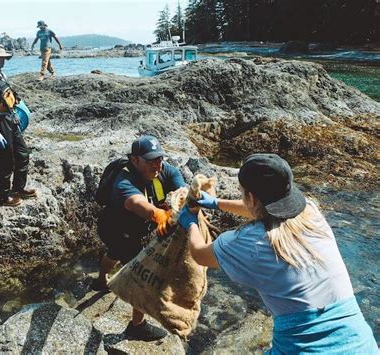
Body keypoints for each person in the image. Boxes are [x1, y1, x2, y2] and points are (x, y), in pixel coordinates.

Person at [178, 153, 378, 354]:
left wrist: (191, 222)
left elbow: (199, 254)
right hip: (361, 344)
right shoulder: (311, 212)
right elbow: (264, 210)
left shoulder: (247, 241)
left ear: (251, 197)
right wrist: (216, 203)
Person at [95, 135, 186, 341]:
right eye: (150, 160)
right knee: (143, 277)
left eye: (159, 159)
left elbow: (182, 191)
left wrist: (186, 202)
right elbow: (136, 202)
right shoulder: (124, 179)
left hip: (136, 229)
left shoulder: (165, 171)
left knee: (114, 253)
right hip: (114, 228)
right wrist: (157, 214)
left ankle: (101, 281)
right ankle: (137, 326)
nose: (157, 164)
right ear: (134, 159)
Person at [0, 44, 37, 207]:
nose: (2, 60)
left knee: (22, 153)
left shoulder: (1, 75)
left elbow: (9, 94)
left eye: (4, 57)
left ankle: (18, 188)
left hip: (11, 119)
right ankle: (2, 197)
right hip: (0, 122)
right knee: (5, 160)